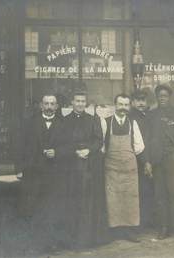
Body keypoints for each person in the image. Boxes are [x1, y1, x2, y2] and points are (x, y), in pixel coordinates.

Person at [18, 93, 66, 248]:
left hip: (55, 173)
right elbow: (19, 145)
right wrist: (19, 168)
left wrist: (57, 152)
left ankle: (51, 243)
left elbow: (71, 146)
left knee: (52, 207)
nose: (49, 107)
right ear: (41, 105)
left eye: (52, 104)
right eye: (46, 103)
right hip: (33, 172)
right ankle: (34, 243)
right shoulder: (29, 123)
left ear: (57, 106)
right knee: (33, 206)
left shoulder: (63, 124)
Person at [57, 90, 103, 248]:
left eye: (83, 101)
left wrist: (88, 150)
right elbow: (60, 142)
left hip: (88, 167)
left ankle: (85, 240)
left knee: (86, 203)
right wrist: (74, 151)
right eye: (77, 101)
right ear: (72, 102)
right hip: (70, 166)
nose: (80, 104)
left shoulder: (93, 119)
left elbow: (99, 141)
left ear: (86, 103)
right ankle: (71, 241)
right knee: (71, 202)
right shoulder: (64, 120)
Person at [145, 85, 174, 241]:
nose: (162, 98)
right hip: (157, 161)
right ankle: (163, 227)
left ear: (170, 97)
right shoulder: (151, 115)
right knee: (160, 195)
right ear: (156, 97)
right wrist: (148, 161)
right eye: (159, 95)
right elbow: (147, 139)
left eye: (165, 95)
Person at [104, 94, 146, 243]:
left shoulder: (132, 123)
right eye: (120, 104)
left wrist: (128, 156)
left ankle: (129, 231)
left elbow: (140, 146)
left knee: (130, 199)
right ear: (115, 105)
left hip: (129, 167)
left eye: (126, 105)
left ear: (129, 106)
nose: (123, 108)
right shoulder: (106, 122)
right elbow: (103, 147)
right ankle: (114, 231)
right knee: (112, 199)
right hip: (111, 167)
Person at [130, 90, 154, 228]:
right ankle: (140, 223)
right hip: (138, 160)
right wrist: (145, 161)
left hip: (150, 158)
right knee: (139, 191)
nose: (140, 103)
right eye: (138, 100)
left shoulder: (150, 116)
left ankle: (148, 221)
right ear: (132, 102)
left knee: (149, 191)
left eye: (143, 100)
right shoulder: (131, 117)